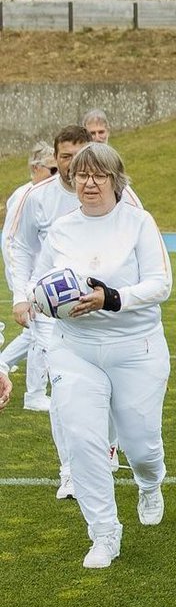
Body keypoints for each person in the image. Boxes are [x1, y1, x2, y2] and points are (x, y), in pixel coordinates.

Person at [31, 142, 172, 569]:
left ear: (115, 179)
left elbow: (160, 284)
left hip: (136, 347)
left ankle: (150, 483)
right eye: (82, 175)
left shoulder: (138, 223)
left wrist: (110, 297)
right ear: (72, 180)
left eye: (99, 175)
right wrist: (40, 301)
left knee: (140, 445)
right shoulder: (60, 229)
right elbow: (39, 283)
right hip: (75, 349)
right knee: (83, 440)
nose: (89, 183)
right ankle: (104, 533)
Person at [4, 126, 141, 498]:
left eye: (82, 156)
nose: (75, 165)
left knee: (112, 391)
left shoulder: (121, 195)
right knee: (64, 393)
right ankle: (69, 471)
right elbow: (18, 248)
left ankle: (108, 449)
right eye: (67, 157)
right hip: (53, 313)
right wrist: (22, 295)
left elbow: (139, 237)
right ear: (56, 158)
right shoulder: (36, 197)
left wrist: (127, 295)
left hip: (105, 311)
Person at [2, 142, 58, 410]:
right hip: (31, 280)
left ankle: (2, 364)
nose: (58, 174)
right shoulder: (26, 195)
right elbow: (12, 242)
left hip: (44, 278)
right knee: (40, 333)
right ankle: (35, 395)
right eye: (52, 168)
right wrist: (20, 287)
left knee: (37, 331)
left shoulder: (50, 194)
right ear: (36, 168)